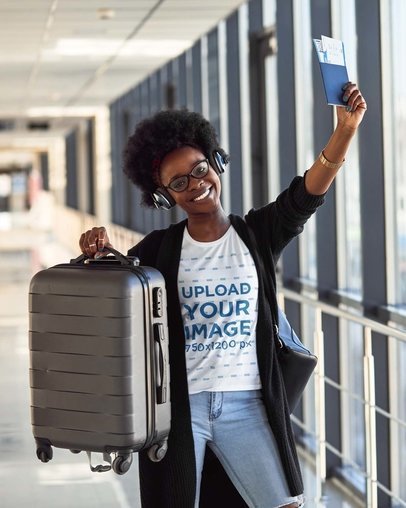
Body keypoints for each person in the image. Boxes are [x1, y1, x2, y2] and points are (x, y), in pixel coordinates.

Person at [79, 82, 366, 508]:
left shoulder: (257, 234)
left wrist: (344, 131)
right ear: (164, 196)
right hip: (179, 409)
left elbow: (307, 195)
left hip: (248, 404)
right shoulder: (157, 250)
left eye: (198, 169)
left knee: (285, 503)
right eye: (179, 182)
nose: (195, 184)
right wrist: (95, 247)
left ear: (215, 162)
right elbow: (115, 287)